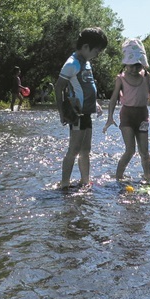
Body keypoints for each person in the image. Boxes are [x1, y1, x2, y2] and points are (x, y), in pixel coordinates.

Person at [55, 27, 108, 189]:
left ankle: (85, 181)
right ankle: (64, 183)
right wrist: (62, 112)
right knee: (74, 149)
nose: (97, 54)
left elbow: (87, 86)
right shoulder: (72, 64)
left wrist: (95, 103)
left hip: (87, 113)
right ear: (85, 47)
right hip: (76, 113)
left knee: (86, 149)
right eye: (96, 51)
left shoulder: (86, 63)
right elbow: (59, 87)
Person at [103, 38, 150, 182]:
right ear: (126, 64)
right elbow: (113, 98)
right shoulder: (121, 78)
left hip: (142, 115)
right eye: (131, 66)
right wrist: (110, 117)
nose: (135, 69)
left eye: (138, 66)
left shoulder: (145, 76)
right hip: (127, 116)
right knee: (130, 150)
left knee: (144, 151)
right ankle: (119, 177)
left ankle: (147, 178)